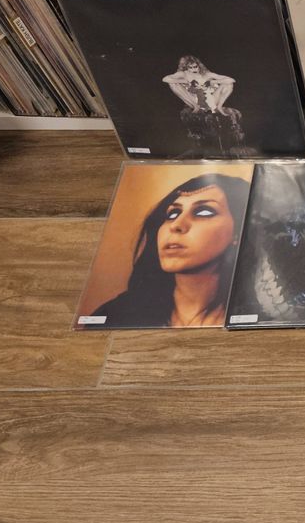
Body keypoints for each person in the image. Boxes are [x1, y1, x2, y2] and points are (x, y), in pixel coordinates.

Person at [91, 174, 250, 328]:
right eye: (173, 214)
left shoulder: (253, 314)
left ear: (238, 232)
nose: (176, 225)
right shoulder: (115, 315)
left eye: (203, 212)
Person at [162, 56, 245, 155]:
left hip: (211, 100)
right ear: (186, 68)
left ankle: (219, 106)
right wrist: (186, 82)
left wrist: (212, 82)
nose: (193, 69)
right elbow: (165, 79)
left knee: (229, 85)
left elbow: (231, 80)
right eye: (190, 67)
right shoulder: (183, 74)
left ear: (199, 66)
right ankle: (195, 107)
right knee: (172, 84)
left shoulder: (207, 74)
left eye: (195, 67)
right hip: (194, 100)